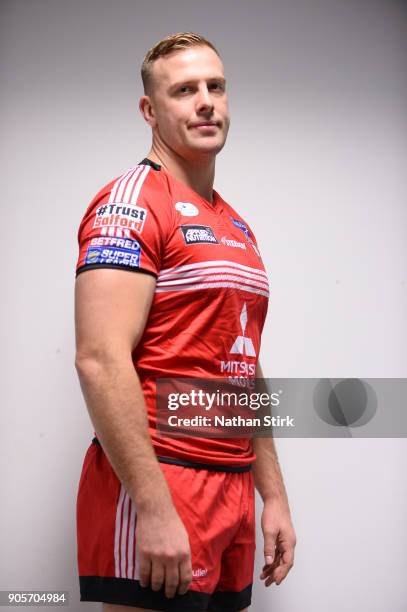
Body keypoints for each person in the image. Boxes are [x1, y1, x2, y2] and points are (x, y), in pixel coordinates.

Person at [74, 32, 296, 612]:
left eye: (215, 86)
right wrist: (151, 505)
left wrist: (272, 496)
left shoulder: (237, 225)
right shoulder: (131, 202)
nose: (205, 101)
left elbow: (242, 364)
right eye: (184, 90)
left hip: (231, 487)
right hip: (163, 481)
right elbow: (99, 358)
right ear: (150, 110)